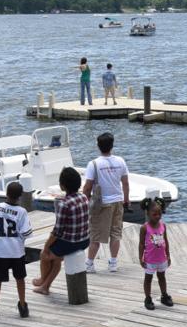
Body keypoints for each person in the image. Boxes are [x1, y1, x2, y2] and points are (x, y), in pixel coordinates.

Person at [33, 166, 90, 295]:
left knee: (44, 255)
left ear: (62, 186)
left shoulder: (64, 204)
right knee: (56, 258)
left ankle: (43, 281)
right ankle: (45, 286)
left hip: (71, 243)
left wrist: (46, 247)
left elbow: (57, 231)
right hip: (85, 240)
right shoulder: (84, 198)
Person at [0, 180, 33, 320]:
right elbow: (26, 233)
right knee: (20, 278)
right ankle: (23, 306)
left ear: (6, 193)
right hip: (16, 251)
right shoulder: (22, 212)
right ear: (20, 196)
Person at [83, 131, 129, 273]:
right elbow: (125, 183)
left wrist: (84, 200)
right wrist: (126, 200)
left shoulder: (94, 164)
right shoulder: (120, 161)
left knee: (95, 234)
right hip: (118, 201)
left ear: (98, 146)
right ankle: (113, 263)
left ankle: (90, 264)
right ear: (112, 145)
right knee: (116, 233)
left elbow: (88, 186)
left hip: (101, 204)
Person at [139, 197, 173, 309]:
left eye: (159, 214)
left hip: (162, 259)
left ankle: (164, 295)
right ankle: (148, 298)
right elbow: (141, 244)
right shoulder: (145, 228)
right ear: (148, 213)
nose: (158, 216)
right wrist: (141, 258)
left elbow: (166, 241)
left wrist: (168, 255)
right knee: (148, 278)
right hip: (150, 259)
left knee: (162, 277)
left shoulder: (163, 226)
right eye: (154, 214)